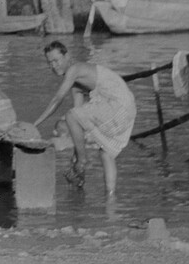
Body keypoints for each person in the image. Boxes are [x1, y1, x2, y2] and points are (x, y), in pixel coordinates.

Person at [33, 39, 137, 199]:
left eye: (56, 60)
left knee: (69, 115)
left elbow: (57, 99)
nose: (53, 66)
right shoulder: (76, 84)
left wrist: (36, 124)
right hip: (127, 106)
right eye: (49, 63)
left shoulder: (75, 69)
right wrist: (75, 158)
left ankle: (82, 163)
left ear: (67, 56)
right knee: (106, 152)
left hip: (118, 102)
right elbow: (78, 124)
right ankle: (111, 198)